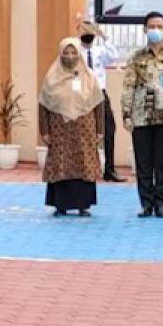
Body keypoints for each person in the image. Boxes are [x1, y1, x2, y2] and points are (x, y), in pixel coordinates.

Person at [122, 12, 163, 218]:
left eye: (159, 26)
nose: (155, 30)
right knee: (143, 163)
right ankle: (145, 204)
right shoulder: (135, 57)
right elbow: (128, 87)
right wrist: (126, 114)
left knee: (162, 162)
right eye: (152, 26)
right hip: (141, 116)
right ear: (144, 29)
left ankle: (160, 203)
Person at [40, 39, 105, 217]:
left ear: (79, 54)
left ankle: (83, 204)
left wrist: (100, 131)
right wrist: (44, 130)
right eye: (66, 53)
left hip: (84, 130)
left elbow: (98, 105)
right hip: (59, 129)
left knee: (83, 163)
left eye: (73, 52)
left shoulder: (89, 77)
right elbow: (43, 104)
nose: (70, 57)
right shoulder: (51, 76)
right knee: (60, 163)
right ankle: (60, 204)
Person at [79, 20, 125, 182]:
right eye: (85, 30)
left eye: (91, 31)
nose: (88, 34)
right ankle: (86, 169)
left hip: (100, 93)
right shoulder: (75, 51)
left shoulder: (99, 51)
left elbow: (114, 57)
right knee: (84, 132)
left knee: (109, 129)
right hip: (82, 95)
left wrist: (105, 37)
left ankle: (110, 170)